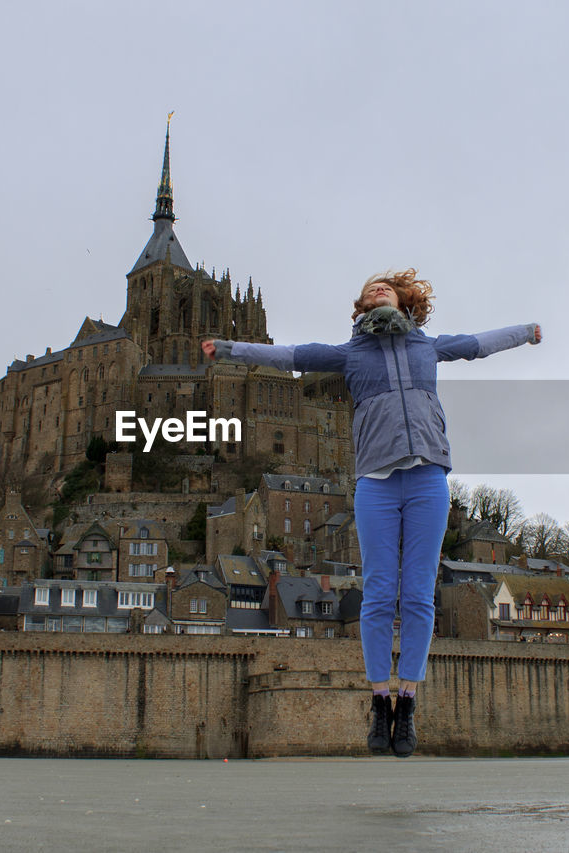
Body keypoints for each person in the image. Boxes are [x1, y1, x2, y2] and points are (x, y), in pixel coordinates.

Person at [202, 269, 541, 757]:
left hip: (427, 476)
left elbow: (478, 345)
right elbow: (286, 355)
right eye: (369, 291)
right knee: (379, 593)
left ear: (404, 300)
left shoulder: (427, 346)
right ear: (360, 309)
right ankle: (379, 700)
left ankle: (409, 701)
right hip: (376, 483)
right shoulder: (349, 354)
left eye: (386, 287)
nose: (378, 291)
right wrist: (229, 349)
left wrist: (526, 333)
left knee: (420, 594)